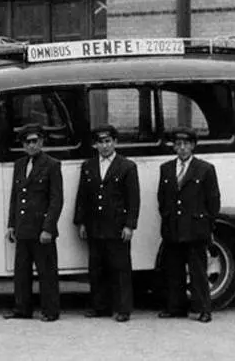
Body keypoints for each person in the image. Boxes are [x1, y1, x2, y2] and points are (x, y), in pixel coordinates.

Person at [74, 124, 140, 322]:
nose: (104, 146)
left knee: (120, 268)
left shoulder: (127, 166)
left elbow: (133, 199)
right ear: (95, 145)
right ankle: (100, 306)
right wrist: (81, 222)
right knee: (97, 268)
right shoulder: (88, 166)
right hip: (95, 225)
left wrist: (129, 225)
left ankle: (123, 308)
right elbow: (82, 196)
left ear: (115, 142)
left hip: (117, 226)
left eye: (108, 141)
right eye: (100, 142)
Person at [157, 127, 221, 323]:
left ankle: (203, 309)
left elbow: (213, 200)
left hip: (195, 229)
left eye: (186, 144)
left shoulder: (205, 169)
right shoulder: (166, 168)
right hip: (173, 228)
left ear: (193, 146)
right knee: (174, 270)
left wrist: (207, 225)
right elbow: (162, 197)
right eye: (178, 144)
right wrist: (167, 218)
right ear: (174, 147)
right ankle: (176, 307)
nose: (182, 148)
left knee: (198, 272)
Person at [4, 122, 63, 322]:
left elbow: (56, 200)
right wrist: (11, 225)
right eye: (27, 142)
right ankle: (22, 309)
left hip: (41, 230)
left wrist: (48, 228)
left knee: (47, 272)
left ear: (42, 142)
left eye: (35, 141)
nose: (31, 145)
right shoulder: (20, 165)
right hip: (23, 228)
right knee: (21, 272)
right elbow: (15, 197)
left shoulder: (52, 165)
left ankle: (50, 311)